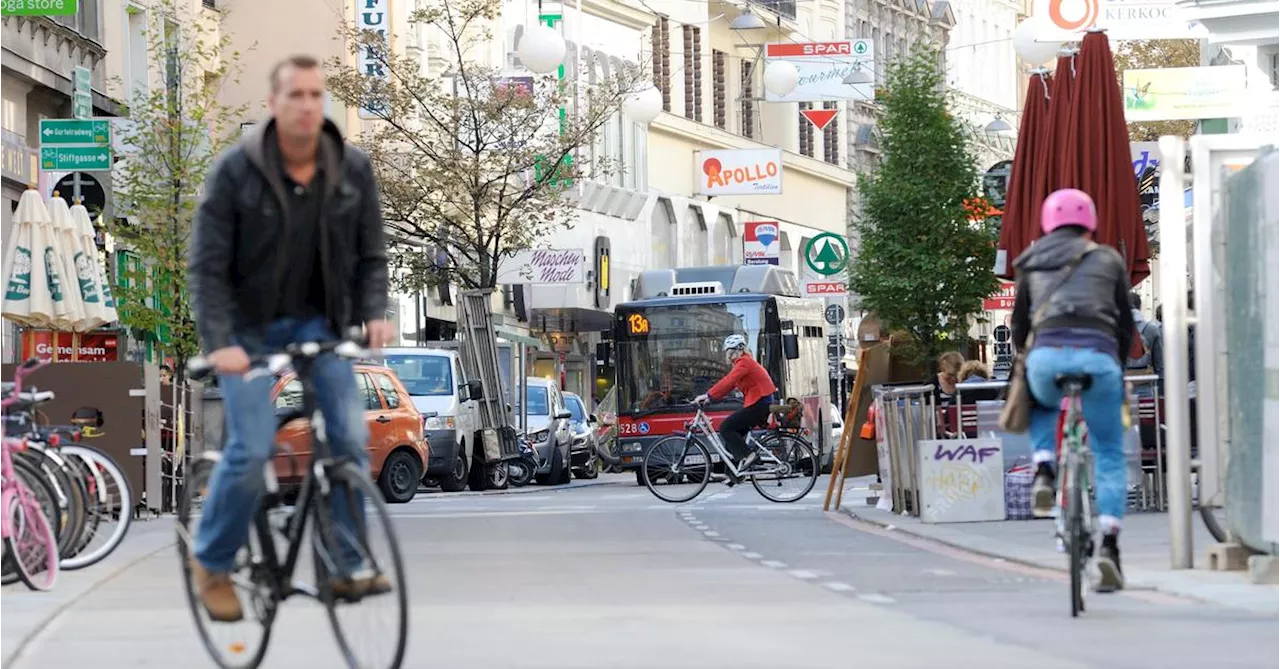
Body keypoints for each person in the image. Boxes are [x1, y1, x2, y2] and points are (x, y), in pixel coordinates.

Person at [187, 54, 393, 622]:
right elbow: (206, 267)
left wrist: (374, 311)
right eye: (294, 95)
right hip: (246, 331)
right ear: (274, 104)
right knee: (253, 452)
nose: (306, 105)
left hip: (317, 326)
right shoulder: (235, 172)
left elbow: (372, 257)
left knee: (351, 437)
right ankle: (211, 559)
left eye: (314, 94)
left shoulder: (351, 169)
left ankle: (346, 562)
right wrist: (220, 339)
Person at [1010, 188, 1134, 592]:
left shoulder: (1029, 263)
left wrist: (1027, 355)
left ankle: (1045, 467)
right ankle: (1109, 546)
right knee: (1110, 453)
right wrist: (1114, 360)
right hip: (1098, 359)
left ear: (1048, 221)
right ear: (1089, 221)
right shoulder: (1109, 259)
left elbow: (1019, 326)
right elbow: (1124, 324)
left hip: (1046, 359)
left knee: (1041, 404)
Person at [694, 334, 777, 484]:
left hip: (760, 404)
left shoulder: (744, 362)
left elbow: (728, 381)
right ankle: (734, 474)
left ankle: (750, 456)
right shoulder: (743, 363)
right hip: (759, 403)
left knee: (726, 428)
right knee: (731, 437)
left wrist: (708, 394)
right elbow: (730, 385)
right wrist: (711, 398)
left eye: (728, 351)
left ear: (736, 351)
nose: (727, 354)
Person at [1125, 291, 1164, 378]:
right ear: (1140, 307)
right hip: (1146, 383)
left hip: (1122, 385)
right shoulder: (1152, 329)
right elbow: (1159, 365)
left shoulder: (1113, 330)